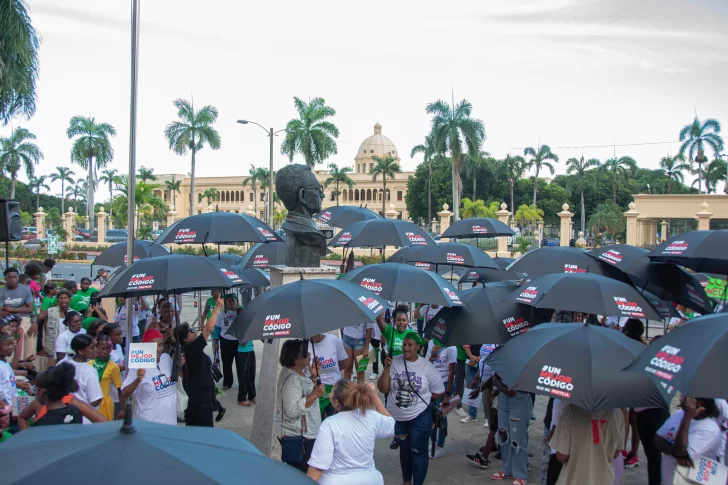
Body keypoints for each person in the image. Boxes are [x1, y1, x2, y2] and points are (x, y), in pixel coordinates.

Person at [377, 330, 444, 485]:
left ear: (418, 348)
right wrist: (386, 368)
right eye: (404, 344)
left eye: (410, 345)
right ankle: (406, 481)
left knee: (418, 452)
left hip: (420, 417)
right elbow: (383, 389)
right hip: (398, 418)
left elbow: (438, 392)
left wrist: (422, 400)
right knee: (405, 450)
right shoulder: (393, 361)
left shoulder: (426, 366)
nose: (406, 348)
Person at [306, 381, 395, 484]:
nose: (329, 394)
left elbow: (317, 467)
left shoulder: (330, 424)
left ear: (336, 402)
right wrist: (374, 396)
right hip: (371, 480)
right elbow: (392, 425)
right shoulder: (371, 416)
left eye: (331, 393)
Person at [277, 339, 326, 472]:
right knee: (304, 475)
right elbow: (292, 410)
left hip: (305, 435)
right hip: (300, 438)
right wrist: (315, 394)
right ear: (295, 359)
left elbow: (302, 392)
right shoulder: (291, 380)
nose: (309, 354)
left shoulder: (296, 372)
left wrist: (315, 377)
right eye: (305, 353)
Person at [174, 293, 223, 427]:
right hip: (199, 400)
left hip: (197, 398)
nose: (193, 331)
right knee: (204, 433)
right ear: (185, 338)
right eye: (190, 331)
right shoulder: (191, 349)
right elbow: (208, 329)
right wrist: (217, 308)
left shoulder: (186, 350)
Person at [551, 403, 625, 485]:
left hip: (575, 478)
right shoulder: (617, 413)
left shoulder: (571, 410)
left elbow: (562, 456)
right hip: (604, 479)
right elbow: (616, 452)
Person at [655, 396, 722, 484]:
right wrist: (675, 453)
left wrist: (687, 418)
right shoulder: (680, 413)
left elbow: (681, 451)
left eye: (687, 397)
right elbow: (658, 439)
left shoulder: (710, 429)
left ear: (699, 403)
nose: (681, 399)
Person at [18, 363, 107, 427]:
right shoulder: (75, 409)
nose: (34, 393)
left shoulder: (43, 423)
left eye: (35, 389)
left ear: (42, 392)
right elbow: (22, 417)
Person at [121, 328, 178, 425]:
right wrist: (137, 380)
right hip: (149, 425)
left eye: (160, 345)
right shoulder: (138, 366)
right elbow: (124, 393)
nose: (157, 350)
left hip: (170, 424)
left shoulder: (166, 359)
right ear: (145, 347)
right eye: (153, 346)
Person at [491, 373, 533, 485]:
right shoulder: (505, 358)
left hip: (519, 399)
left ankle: (521, 474)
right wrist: (503, 389)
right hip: (503, 398)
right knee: (503, 436)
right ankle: (506, 469)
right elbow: (494, 378)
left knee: (518, 439)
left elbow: (532, 385)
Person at [424, 339, 456, 457]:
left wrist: (448, 394)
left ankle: (440, 445)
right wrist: (432, 355)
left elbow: (452, 372)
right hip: (431, 383)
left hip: (444, 384)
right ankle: (432, 442)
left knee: (441, 415)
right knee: (430, 415)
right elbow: (426, 364)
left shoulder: (451, 348)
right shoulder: (432, 343)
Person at [309, 333, 347, 420]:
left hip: (334, 391)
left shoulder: (334, 340)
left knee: (336, 421)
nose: (313, 338)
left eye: (315, 335)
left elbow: (342, 363)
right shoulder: (304, 346)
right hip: (314, 391)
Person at [87, 334, 123, 420]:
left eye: (108, 348)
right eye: (102, 349)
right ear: (96, 348)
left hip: (105, 404)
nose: (105, 351)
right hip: (90, 402)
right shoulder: (89, 365)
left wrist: (122, 409)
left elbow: (120, 389)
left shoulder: (113, 366)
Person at [63, 334, 103, 408]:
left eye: (95, 346)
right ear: (81, 351)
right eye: (92, 348)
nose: (96, 350)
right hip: (84, 416)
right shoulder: (90, 371)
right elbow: (95, 401)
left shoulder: (62, 364)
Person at [212, 294, 242, 392]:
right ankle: (227, 382)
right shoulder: (222, 314)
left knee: (240, 363)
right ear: (226, 303)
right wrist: (216, 341)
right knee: (227, 363)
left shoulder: (241, 312)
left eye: (233, 300)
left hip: (238, 341)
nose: (231, 303)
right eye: (229, 301)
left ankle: (242, 382)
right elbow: (216, 328)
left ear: (236, 301)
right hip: (225, 341)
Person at [103, 323, 126, 418]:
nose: (120, 337)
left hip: (121, 386)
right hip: (112, 392)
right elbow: (109, 370)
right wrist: (125, 367)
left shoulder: (119, 347)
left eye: (121, 334)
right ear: (108, 336)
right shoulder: (107, 353)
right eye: (117, 335)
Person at [460, 343, 481, 424]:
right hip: (469, 361)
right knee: (470, 387)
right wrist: (472, 357)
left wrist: (478, 358)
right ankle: (472, 415)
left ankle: (487, 418)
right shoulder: (470, 331)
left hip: (484, 361)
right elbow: (465, 345)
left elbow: (490, 347)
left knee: (485, 387)